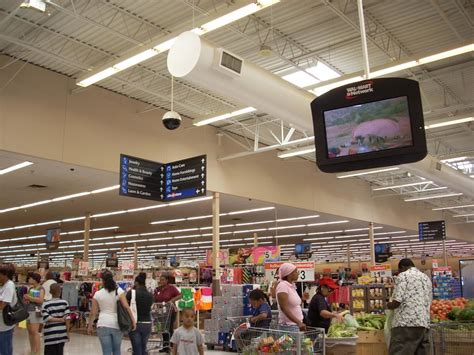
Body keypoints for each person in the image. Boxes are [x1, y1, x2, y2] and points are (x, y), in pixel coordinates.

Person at [387, 258, 432, 355]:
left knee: (399, 351)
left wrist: (389, 305)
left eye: (399, 270)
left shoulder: (403, 276)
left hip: (405, 324)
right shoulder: (426, 278)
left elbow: (397, 301)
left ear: (402, 267)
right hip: (423, 323)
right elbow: (429, 300)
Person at [88, 270, 136, 355]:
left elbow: (93, 312)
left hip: (102, 324)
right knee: (116, 350)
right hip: (117, 324)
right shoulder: (119, 291)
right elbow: (126, 307)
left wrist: (90, 325)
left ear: (102, 280)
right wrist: (133, 320)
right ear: (112, 279)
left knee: (106, 351)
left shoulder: (97, 294)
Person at [126, 272, 154, 355]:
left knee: (137, 350)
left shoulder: (131, 293)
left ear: (136, 283)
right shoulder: (150, 294)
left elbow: (126, 307)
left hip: (135, 323)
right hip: (147, 324)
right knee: (143, 348)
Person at [154, 274, 182, 350]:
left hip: (170, 311)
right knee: (163, 328)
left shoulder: (171, 288)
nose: (161, 281)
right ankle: (165, 346)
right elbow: (154, 299)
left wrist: (171, 301)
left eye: (163, 279)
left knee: (169, 328)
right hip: (161, 312)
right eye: (160, 279)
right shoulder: (157, 289)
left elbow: (180, 295)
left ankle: (171, 345)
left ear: (167, 280)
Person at [276, 263, 306, 331]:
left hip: (295, 325)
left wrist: (302, 300)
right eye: (296, 271)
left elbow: (293, 305)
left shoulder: (291, 286)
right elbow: (284, 308)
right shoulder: (282, 286)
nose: (298, 274)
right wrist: (298, 322)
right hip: (288, 327)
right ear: (289, 274)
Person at [42, 284, 70, 355]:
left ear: (50, 292)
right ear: (60, 291)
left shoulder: (45, 304)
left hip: (50, 334)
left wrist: (57, 319)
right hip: (61, 333)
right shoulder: (64, 303)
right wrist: (68, 333)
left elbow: (46, 317)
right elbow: (67, 319)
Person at [25, 272, 45, 355]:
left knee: (35, 331)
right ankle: (32, 349)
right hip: (28, 311)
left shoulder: (41, 289)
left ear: (35, 279)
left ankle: (38, 351)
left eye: (30, 278)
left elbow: (40, 300)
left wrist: (29, 297)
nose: (29, 280)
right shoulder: (30, 289)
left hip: (36, 311)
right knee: (30, 331)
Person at [0, 264, 16, 355]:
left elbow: (2, 305)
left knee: (5, 350)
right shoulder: (3, 285)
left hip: (4, 326)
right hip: (1, 325)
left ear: (4, 275)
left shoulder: (9, 285)